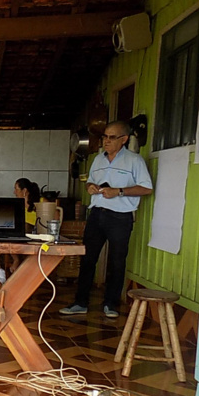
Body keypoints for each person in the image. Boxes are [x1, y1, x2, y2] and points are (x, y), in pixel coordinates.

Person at [60, 120, 152, 319]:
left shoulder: (135, 161)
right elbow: (90, 181)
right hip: (97, 213)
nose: (106, 141)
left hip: (120, 216)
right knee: (88, 258)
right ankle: (80, 302)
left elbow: (146, 188)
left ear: (124, 139)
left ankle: (110, 304)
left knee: (117, 261)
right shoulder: (98, 160)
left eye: (111, 137)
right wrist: (90, 187)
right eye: (104, 137)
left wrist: (118, 191)